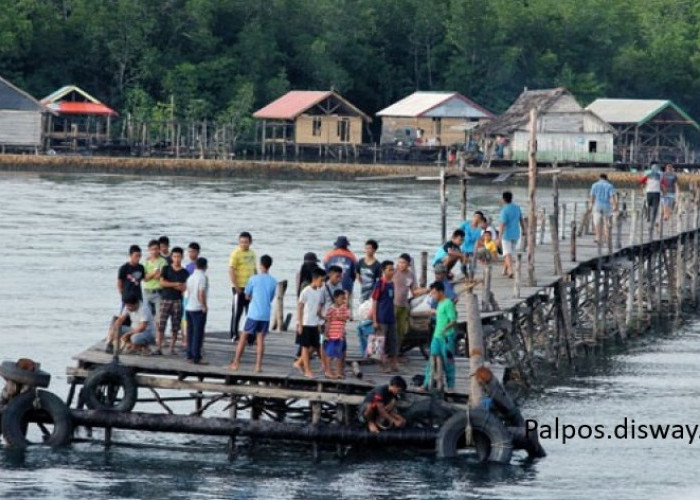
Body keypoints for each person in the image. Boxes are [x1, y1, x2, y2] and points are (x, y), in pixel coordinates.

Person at [229, 255, 277, 373]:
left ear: (261, 265)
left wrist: (251, 298)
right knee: (260, 339)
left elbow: (246, 295)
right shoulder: (273, 281)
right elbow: (271, 298)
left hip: (254, 313)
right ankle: (258, 366)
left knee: (243, 337)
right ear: (270, 266)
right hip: (265, 314)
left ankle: (236, 362)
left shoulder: (253, 279)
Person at [422, 281, 457, 392]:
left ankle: (450, 386)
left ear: (441, 292)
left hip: (446, 337)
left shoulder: (448, 303)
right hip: (436, 336)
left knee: (448, 361)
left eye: (434, 293)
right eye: (431, 293)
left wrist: (445, 329)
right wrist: (435, 312)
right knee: (431, 360)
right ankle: (426, 383)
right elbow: (441, 314)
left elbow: (453, 320)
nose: (433, 296)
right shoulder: (440, 304)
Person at [156, 247, 189, 355]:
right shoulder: (166, 268)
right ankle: (159, 347)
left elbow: (184, 288)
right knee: (161, 324)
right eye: (174, 256)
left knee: (175, 326)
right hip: (165, 298)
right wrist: (175, 284)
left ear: (182, 257)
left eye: (178, 256)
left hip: (177, 300)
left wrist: (170, 284)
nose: (176, 259)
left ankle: (171, 348)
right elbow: (161, 283)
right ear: (171, 257)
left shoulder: (184, 272)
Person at [294, 268, 326, 378]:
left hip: (314, 323)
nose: (322, 283)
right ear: (315, 279)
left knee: (315, 346)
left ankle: (299, 363)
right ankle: (307, 370)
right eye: (321, 280)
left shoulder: (319, 291)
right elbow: (300, 307)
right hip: (306, 323)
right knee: (305, 347)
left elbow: (317, 309)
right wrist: (299, 323)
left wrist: (320, 321)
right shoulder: (306, 291)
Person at [393, 253, 426, 355]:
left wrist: (427, 290)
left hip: (404, 306)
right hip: (392, 305)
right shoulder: (393, 272)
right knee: (391, 330)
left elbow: (414, 291)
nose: (401, 265)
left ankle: (397, 353)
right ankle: (389, 354)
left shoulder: (410, 275)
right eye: (399, 262)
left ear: (408, 264)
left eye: (403, 263)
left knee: (402, 331)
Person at [229, 231, 257, 341]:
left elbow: (254, 270)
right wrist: (236, 286)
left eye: (246, 242)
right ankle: (234, 335)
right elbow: (231, 270)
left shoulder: (252, 254)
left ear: (250, 242)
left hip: (250, 287)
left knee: (251, 312)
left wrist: (256, 284)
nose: (244, 244)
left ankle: (250, 335)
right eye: (241, 242)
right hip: (239, 287)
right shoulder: (236, 253)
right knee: (237, 312)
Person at [372, 260, 399, 372]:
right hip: (382, 318)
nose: (392, 272)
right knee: (381, 342)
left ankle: (393, 364)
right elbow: (375, 302)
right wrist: (374, 320)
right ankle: (382, 365)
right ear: (384, 270)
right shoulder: (380, 284)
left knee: (393, 341)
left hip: (391, 318)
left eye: (393, 269)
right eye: (390, 270)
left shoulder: (391, 284)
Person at [319, 265, 345, 377]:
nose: (339, 279)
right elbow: (319, 306)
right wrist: (323, 320)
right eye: (337, 276)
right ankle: (326, 369)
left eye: (340, 276)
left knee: (340, 345)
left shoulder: (340, 285)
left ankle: (338, 370)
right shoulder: (324, 288)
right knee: (326, 346)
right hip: (328, 320)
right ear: (329, 274)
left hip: (338, 321)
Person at [185, 257, 209, 365]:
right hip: (198, 308)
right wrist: (204, 305)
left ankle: (189, 355)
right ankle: (197, 357)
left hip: (189, 307)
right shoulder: (202, 277)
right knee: (198, 334)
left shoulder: (190, 277)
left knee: (190, 332)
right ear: (205, 266)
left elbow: (188, 292)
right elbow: (201, 293)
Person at [322, 290, 350, 379]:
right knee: (329, 354)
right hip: (332, 335)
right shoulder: (330, 309)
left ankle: (338, 372)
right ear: (336, 299)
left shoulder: (344, 308)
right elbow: (328, 321)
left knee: (339, 354)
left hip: (340, 335)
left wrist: (338, 317)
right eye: (342, 298)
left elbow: (346, 318)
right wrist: (326, 333)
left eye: (344, 299)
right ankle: (328, 371)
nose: (343, 301)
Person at [497, 191, 524, 279]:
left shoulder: (504, 210)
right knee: (509, 253)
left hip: (506, 235)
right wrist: (524, 230)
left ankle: (510, 270)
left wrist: (499, 237)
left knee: (507, 253)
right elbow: (521, 220)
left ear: (503, 199)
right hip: (516, 233)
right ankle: (505, 270)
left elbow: (502, 224)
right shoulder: (517, 208)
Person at [323, 236, 358, 304]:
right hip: (346, 288)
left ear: (336, 245)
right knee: (346, 309)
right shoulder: (352, 256)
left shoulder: (328, 255)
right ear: (346, 245)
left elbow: (326, 271)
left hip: (331, 288)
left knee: (330, 308)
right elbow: (354, 274)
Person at [143, 239, 167, 327]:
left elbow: (160, 276)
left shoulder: (163, 261)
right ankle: (151, 334)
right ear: (149, 250)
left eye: (156, 249)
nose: (154, 251)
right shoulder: (145, 262)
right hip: (147, 292)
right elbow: (144, 278)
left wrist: (150, 275)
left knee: (159, 318)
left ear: (159, 249)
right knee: (147, 317)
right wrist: (154, 273)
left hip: (158, 292)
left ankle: (158, 337)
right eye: (152, 249)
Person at [589, 173, 616, 243]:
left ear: (599, 178)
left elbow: (592, 197)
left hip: (597, 205)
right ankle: (606, 238)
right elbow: (612, 197)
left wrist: (591, 205)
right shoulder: (609, 186)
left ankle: (598, 237)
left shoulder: (594, 185)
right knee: (606, 222)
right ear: (606, 178)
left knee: (596, 222)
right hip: (607, 206)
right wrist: (614, 206)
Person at [641, 163, 662, 235]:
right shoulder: (656, 174)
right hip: (652, 192)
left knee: (652, 208)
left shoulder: (657, 174)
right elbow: (642, 182)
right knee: (651, 208)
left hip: (652, 192)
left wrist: (643, 188)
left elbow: (641, 181)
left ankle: (650, 223)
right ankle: (650, 221)